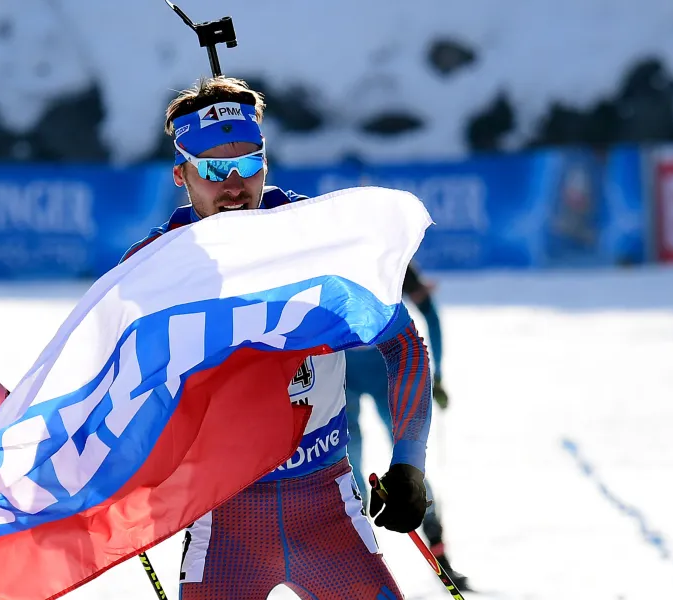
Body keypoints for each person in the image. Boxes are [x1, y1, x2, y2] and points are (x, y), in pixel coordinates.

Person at [121, 77, 434, 600]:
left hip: (328, 509)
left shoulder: (316, 241)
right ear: (182, 174)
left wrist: (409, 465)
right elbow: (111, 387)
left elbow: (402, 346)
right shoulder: (153, 270)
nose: (235, 186)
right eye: (216, 170)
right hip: (223, 522)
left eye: (250, 165)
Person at [344, 263, 472, 590]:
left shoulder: (390, 255)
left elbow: (430, 313)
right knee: (347, 471)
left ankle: (438, 557)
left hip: (379, 372)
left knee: (407, 468)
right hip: (349, 375)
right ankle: (359, 566)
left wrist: (439, 373)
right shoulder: (345, 250)